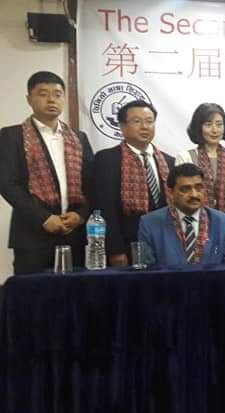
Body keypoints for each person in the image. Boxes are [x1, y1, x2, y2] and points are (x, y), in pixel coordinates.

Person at [0, 71, 94, 274]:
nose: (51, 99)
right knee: (32, 291)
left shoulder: (79, 137)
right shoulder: (11, 136)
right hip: (32, 234)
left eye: (57, 94)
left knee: (73, 290)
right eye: (43, 94)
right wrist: (43, 218)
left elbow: (91, 182)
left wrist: (80, 215)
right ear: (29, 99)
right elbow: (6, 183)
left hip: (73, 233)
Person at [93, 100, 175, 266]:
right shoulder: (107, 159)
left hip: (164, 243)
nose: (145, 127)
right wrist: (115, 249)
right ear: (122, 126)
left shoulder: (169, 161)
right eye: (137, 121)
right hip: (128, 244)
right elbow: (105, 207)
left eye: (149, 121)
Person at [136, 163, 225, 265]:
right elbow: (147, 270)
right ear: (171, 193)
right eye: (185, 189)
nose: (194, 194)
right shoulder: (149, 224)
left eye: (199, 187)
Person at [175, 102, 225, 215]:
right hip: (193, 219)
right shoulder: (185, 157)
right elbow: (179, 195)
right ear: (198, 127)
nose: (215, 130)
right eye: (208, 124)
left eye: (219, 124)